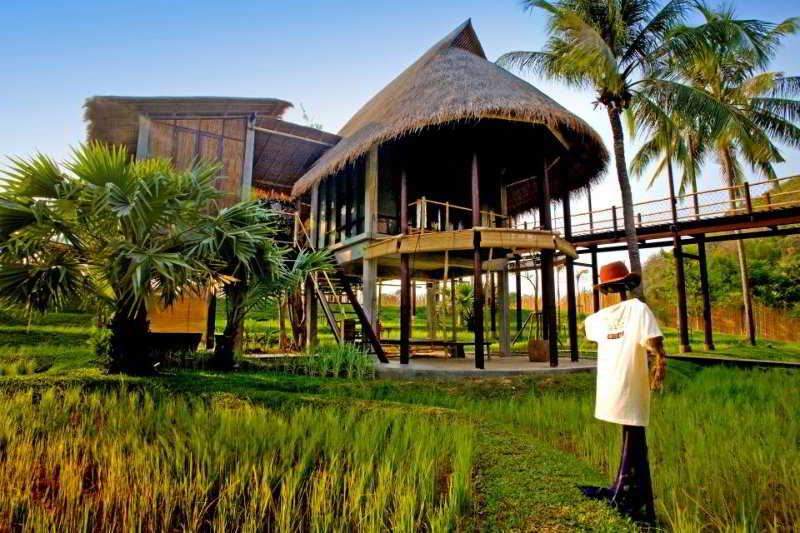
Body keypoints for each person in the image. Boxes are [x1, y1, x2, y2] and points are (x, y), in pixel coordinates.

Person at [579, 261, 667, 524]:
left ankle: (628, 488)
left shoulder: (597, 319)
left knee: (633, 438)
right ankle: (632, 493)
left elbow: (589, 329)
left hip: (610, 391)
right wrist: (661, 360)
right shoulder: (638, 310)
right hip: (631, 388)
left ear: (606, 289)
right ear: (627, 284)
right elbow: (654, 342)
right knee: (636, 437)